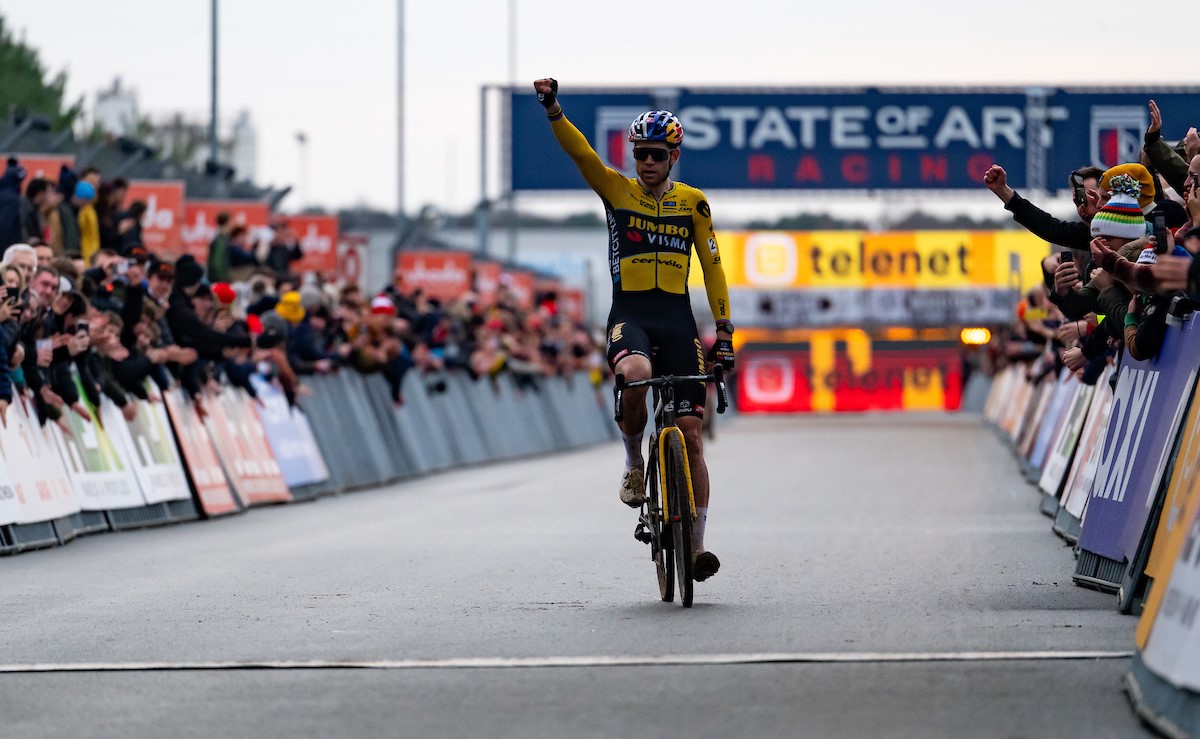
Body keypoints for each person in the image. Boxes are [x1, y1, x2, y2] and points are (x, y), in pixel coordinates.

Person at [533, 77, 734, 582]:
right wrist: (554, 108)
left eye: (657, 155)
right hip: (631, 317)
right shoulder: (617, 190)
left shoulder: (693, 204)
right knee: (638, 371)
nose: (647, 163)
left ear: (673, 157)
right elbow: (580, 155)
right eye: (640, 153)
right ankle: (633, 462)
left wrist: (725, 332)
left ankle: (695, 549)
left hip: (678, 319)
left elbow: (712, 268)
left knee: (691, 436)